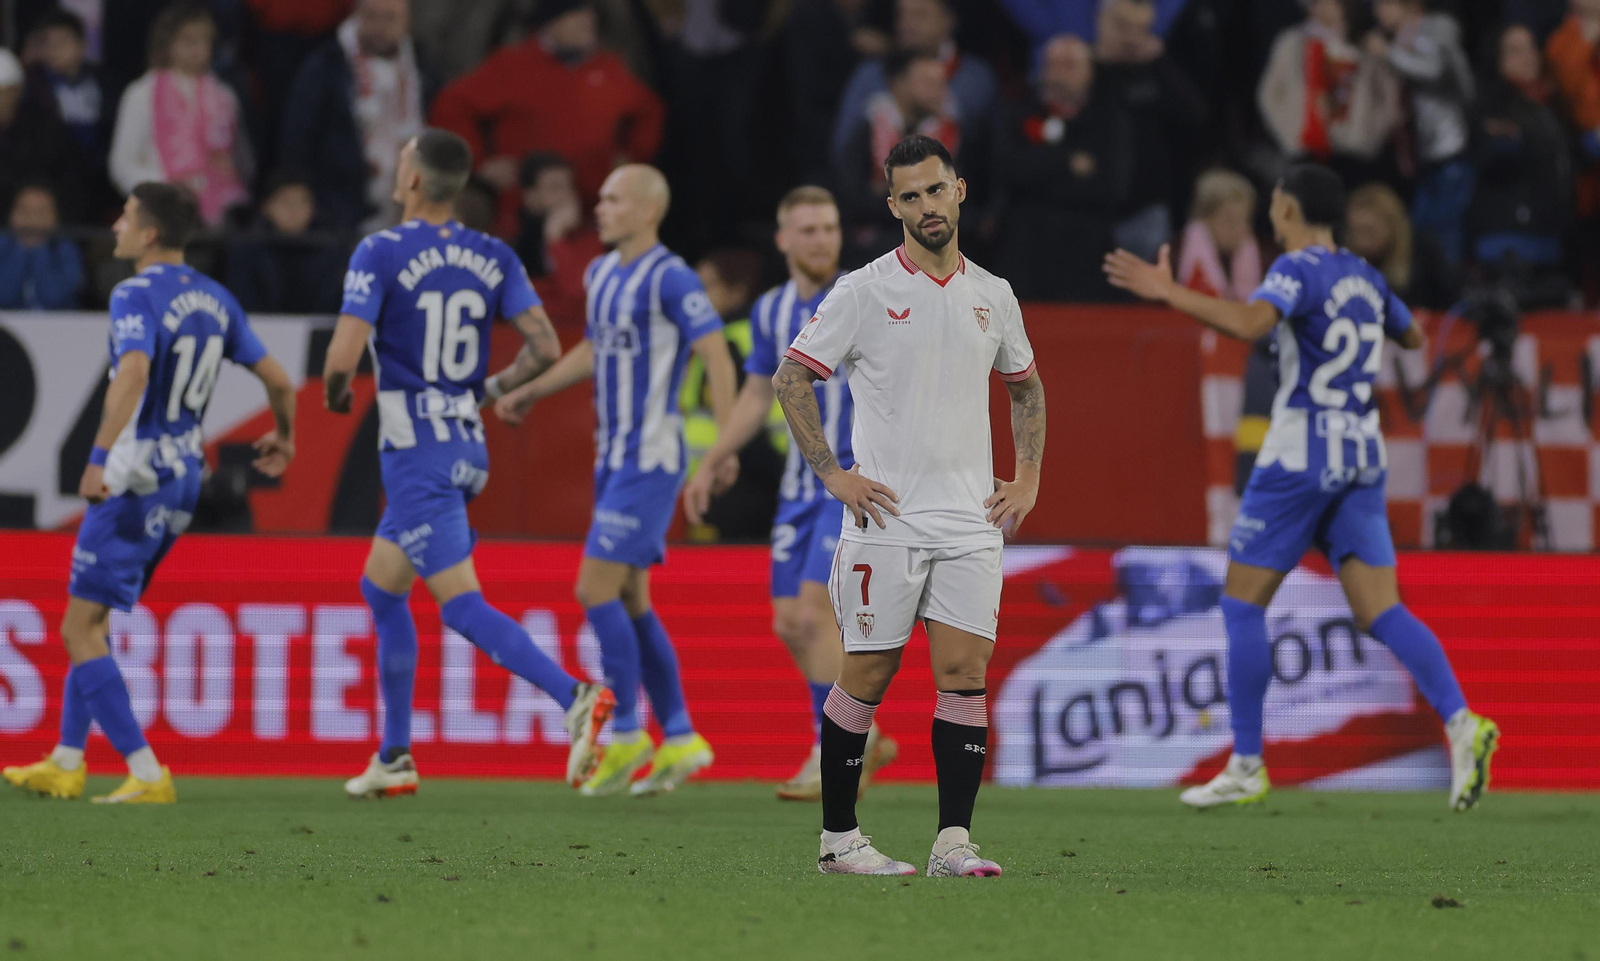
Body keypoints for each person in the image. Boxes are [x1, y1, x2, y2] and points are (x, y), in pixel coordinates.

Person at [1104, 163, 1500, 812]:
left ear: (1286, 210)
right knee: (1382, 611)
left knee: (1241, 605)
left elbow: (1250, 324)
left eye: (1275, 206)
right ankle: (1462, 721)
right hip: (1361, 454)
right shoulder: (1365, 276)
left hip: (1300, 452)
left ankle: (1247, 762)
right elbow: (1414, 333)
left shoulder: (1295, 268)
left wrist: (1169, 291)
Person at [772, 135, 1045, 876]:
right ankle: (839, 841)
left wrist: (1026, 479)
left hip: (968, 520)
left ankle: (953, 841)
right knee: (867, 673)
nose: (926, 205)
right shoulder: (863, 290)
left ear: (958, 190)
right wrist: (832, 473)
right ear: (893, 206)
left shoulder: (995, 293)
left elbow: (1025, 384)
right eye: (910, 196)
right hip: (885, 521)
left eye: (936, 189)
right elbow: (792, 377)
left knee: (965, 674)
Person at [321, 129, 617, 799]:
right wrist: (488, 389)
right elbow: (542, 346)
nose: (397, 170)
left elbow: (341, 361)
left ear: (415, 180)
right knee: (381, 586)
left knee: (460, 605)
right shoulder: (493, 254)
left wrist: (338, 395)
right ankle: (394, 755)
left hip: (417, 454)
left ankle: (575, 693)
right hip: (464, 440)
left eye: (401, 162)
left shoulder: (381, 250)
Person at [1, 182, 297, 803]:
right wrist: (286, 438)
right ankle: (66, 759)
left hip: (135, 475)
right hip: (186, 477)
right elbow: (278, 379)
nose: (116, 227)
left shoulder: (134, 292)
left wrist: (98, 456)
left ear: (151, 233)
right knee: (97, 617)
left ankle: (143, 770)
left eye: (127, 217)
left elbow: (134, 371)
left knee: (77, 629)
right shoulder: (218, 299)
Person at [494, 164, 737, 798]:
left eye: (612, 199)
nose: (598, 208)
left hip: (652, 457)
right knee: (629, 598)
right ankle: (680, 736)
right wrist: (532, 389)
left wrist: (718, 448)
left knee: (592, 585)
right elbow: (594, 349)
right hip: (613, 458)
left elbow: (714, 350)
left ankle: (627, 733)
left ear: (648, 210)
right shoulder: (601, 274)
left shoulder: (671, 276)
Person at [684, 187, 901, 802]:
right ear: (782, 240)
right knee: (788, 623)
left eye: (829, 228)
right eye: (806, 229)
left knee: (813, 614)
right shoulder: (772, 310)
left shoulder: (866, 298)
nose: (821, 239)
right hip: (796, 487)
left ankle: (837, 752)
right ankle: (866, 737)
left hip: (851, 482)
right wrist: (714, 461)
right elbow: (758, 393)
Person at [429, 0, 665, 223]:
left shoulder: (607, 68)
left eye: (588, 12)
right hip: (525, 220)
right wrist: (478, 163)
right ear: (551, 22)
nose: (588, 20)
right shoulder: (514, 66)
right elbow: (450, 105)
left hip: (594, 220)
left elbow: (650, 110)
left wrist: (631, 157)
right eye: (575, 13)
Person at [992, 33, 1131, 301]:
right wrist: (1067, 163)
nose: (1058, 73)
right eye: (1052, 64)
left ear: (1090, 72)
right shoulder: (1016, 110)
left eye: (1069, 65)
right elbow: (1007, 171)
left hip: (1088, 251)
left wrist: (1038, 174)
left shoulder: (1110, 120)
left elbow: (1112, 188)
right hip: (1027, 249)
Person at [279, 0, 429, 232]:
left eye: (390, 18)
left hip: (405, 199)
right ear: (355, 14)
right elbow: (297, 136)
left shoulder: (420, 67)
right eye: (371, 16)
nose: (380, 26)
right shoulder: (326, 65)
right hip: (340, 204)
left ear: (406, 21)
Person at [108, 2, 253, 226]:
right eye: (189, 40)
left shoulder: (224, 96)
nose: (199, 49)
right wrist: (167, 186)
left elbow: (243, 161)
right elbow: (121, 164)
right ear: (167, 43)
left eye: (205, 40)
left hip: (220, 220)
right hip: (162, 216)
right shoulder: (142, 93)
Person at [829, 0, 996, 175]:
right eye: (902, 14)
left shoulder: (976, 78)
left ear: (949, 19)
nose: (907, 25)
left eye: (920, 15)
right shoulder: (871, 74)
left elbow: (989, 154)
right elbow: (842, 148)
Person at [1367, 0, 1475, 265]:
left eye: (1386, 4)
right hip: (1422, 151)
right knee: (1421, 229)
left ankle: (1447, 296)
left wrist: (1389, 53)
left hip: (1449, 147)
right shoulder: (1404, 36)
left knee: (1445, 230)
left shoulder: (1435, 29)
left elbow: (1435, 70)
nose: (1378, 11)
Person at [836, 49, 962, 260]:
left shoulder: (953, 138)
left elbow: (962, 205)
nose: (940, 92)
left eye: (942, 83)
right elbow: (851, 199)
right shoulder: (866, 131)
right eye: (929, 83)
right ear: (899, 84)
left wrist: (892, 193)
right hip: (872, 251)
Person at [1469, 23, 1572, 275]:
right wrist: (1508, 143)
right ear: (1497, 58)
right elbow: (1488, 158)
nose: (1528, 56)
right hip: (1506, 239)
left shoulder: (1552, 105)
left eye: (1531, 48)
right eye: (1515, 50)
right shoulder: (1492, 104)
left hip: (1552, 239)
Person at [1256, 0, 1400, 173]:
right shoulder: (1292, 42)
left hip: (1354, 149)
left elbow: (1389, 96)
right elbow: (1268, 94)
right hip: (1305, 146)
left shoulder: (1365, 43)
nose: (1327, 6)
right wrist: (1289, 131)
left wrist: (1370, 135)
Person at [225, 173, 346, 314]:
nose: (294, 210)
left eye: (303, 202)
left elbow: (331, 305)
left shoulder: (330, 250)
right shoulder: (246, 250)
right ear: (266, 206)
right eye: (286, 201)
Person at [513, 152, 604, 328]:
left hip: (573, 335)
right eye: (555, 187)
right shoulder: (509, 237)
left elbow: (576, 290)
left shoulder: (590, 239)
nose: (566, 195)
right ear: (530, 195)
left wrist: (555, 236)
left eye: (569, 186)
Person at [1345, 181, 1458, 310]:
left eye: (1369, 231)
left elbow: (1451, 302)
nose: (1361, 241)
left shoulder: (1424, 252)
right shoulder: (1341, 262)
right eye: (1356, 231)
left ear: (1392, 228)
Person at [1176, 170, 1263, 301]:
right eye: (1230, 221)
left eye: (1246, 220)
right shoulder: (1174, 256)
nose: (1240, 229)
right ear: (1205, 219)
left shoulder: (1264, 260)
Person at [0, 183, 85, 309]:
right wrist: (20, 251)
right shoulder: (3, 245)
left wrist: (40, 251)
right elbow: (4, 296)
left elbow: (54, 296)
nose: (32, 219)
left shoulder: (66, 249)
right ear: (12, 213)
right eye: (25, 210)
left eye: (41, 212)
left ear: (55, 216)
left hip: (60, 324)